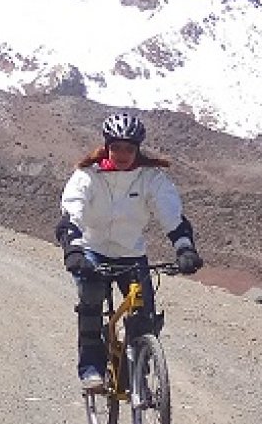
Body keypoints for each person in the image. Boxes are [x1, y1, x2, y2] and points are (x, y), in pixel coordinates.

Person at [54, 111, 202, 393]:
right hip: (93, 251)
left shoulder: (150, 179)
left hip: (131, 254)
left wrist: (185, 248)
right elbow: (71, 213)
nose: (123, 154)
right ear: (107, 146)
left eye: (129, 149)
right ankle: (92, 369)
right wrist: (73, 250)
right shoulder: (87, 176)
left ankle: (138, 373)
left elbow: (172, 215)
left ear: (137, 149)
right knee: (92, 301)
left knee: (143, 316)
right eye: (117, 148)